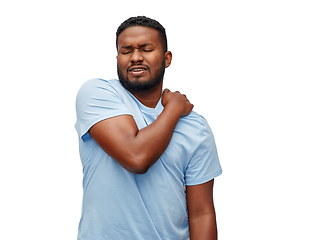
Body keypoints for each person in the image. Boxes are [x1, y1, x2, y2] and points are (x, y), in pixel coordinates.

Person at [75, 16, 222, 240]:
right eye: (126, 51)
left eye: (146, 49)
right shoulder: (97, 95)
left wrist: (174, 109)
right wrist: (173, 107)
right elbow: (136, 156)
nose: (135, 57)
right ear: (117, 58)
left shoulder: (195, 126)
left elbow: (201, 213)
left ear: (167, 58)